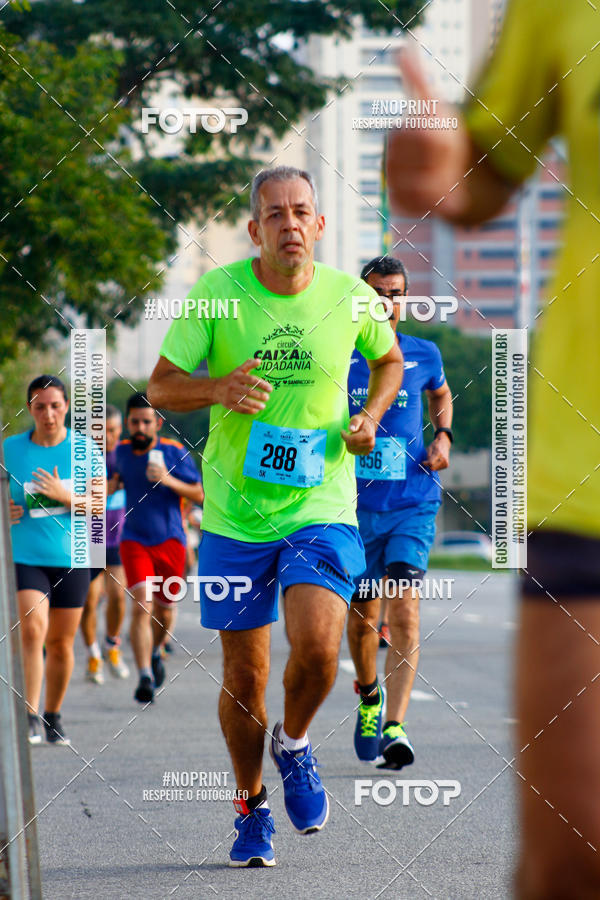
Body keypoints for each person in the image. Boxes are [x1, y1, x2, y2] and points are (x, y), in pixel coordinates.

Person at [386, 7, 600, 895]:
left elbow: (434, 393)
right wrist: (429, 164)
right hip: (589, 472)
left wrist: (435, 433)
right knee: (572, 856)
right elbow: (477, 182)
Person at [147, 165, 403, 868]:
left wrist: (370, 417)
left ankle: (294, 743)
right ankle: (251, 805)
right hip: (233, 517)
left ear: (319, 224)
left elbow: (390, 364)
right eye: (274, 214)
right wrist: (218, 388)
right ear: (255, 228)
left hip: (322, 505)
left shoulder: (353, 299)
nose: (289, 224)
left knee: (321, 650)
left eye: (301, 212)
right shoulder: (218, 295)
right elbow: (162, 385)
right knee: (245, 676)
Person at [347, 255, 453, 768]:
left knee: (405, 607)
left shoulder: (425, 353)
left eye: (395, 293)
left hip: (413, 502)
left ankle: (395, 725)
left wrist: (444, 435)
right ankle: (370, 696)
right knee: (364, 620)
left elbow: (441, 394)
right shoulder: (336, 356)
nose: (386, 303)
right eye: (376, 293)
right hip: (353, 510)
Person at [5, 375, 93, 745]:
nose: (49, 414)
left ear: (66, 407)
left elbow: (99, 505)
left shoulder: (85, 449)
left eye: (56, 406)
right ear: (30, 409)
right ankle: (29, 715)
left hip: (72, 556)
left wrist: (63, 495)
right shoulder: (10, 448)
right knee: (32, 629)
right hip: (26, 555)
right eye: (40, 407)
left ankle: (53, 714)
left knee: (61, 642)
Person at [115, 392, 203, 704]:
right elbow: (109, 484)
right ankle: (144, 676)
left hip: (171, 540)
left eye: (146, 422)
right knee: (142, 603)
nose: (140, 427)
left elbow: (200, 494)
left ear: (158, 423)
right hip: (134, 539)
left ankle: (155, 650)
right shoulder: (120, 453)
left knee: (165, 610)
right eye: (135, 421)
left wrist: (168, 480)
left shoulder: (175, 452)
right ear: (128, 423)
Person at [81, 404, 129, 684]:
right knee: (88, 602)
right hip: (90, 539)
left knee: (118, 596)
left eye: (111, 430)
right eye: (100, 431)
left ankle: (112, 645)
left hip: (118, 539)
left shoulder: (126, 455)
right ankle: (93, 654)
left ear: (119, 429)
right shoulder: (81, 457)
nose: (106, 436)